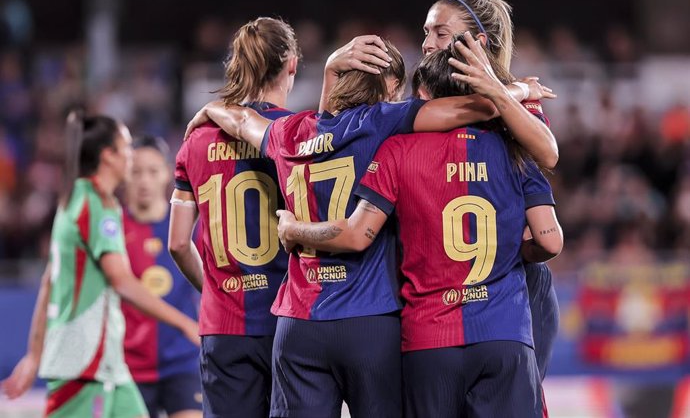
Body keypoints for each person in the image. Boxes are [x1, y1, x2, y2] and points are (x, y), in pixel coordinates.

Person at [184, 30, 553, 417]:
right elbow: (469, 109)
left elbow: (244, 121)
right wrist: (518, 91)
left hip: (299, 322)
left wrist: (212, 110)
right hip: (370, 319)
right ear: (389, 87)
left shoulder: (288, 133)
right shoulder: (383, 124)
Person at [326, 0, 560, 379]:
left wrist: (505, 93)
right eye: (425, 32)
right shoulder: (429, 103)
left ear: (478, 42)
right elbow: (330, 138)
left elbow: (548, 153)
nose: (427, 43)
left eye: (439, 33)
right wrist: (333, 71)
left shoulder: (516, 112)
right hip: (434, 291)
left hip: (508, 290)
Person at [0, 110, 199, 418]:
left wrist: (34, 354)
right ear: (109, 156)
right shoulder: (98, 206)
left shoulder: (75, 198)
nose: (132, 159)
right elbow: (121, 281)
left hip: (110, 365)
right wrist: (184, 322)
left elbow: (48, 281)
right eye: (126, 148)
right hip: (83, 362)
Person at [168, 17, 296, 418]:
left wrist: (216, 290)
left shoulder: (196, 141)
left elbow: (177, 243)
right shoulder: (295, 134)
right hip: (287, 320)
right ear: (291, 64)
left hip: (224, 326)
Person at [122, 136, 202, 418]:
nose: (144, 181)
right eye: (136, 171)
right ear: (124, 174)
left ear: (167, 172)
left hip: (183, 361)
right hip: (128, 364)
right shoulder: (112, 229)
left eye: (152, 171)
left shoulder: (187, 226)